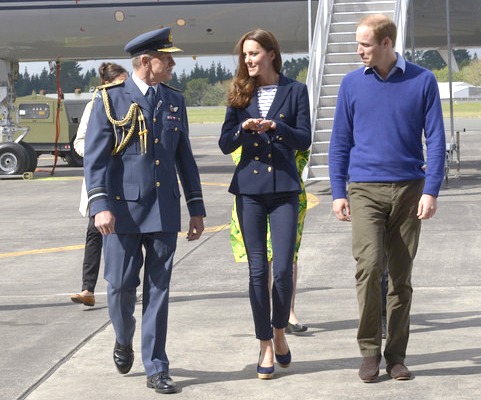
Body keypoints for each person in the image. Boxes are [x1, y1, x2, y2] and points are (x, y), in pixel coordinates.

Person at [83, 27, 206, 394]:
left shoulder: (173, 100)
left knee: (159, 289)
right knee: (120, 286)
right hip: (122, 212)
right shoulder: (110, 100)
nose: (171, 63)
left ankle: (157, 366)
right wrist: (100, 205)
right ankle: (123, 338)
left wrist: (196, 207)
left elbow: (184, 157)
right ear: (145, 61)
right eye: (165, 57)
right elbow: (96, 160)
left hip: (164, 209)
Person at [328, 14, 446, 382]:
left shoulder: (423, 80)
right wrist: (336, 192)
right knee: (369, 267)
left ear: (386, 43)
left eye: (365, 44)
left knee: (400, 277)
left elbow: (437, 140)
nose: (358, 50)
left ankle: (395, 355)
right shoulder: (350, 84)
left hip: (410, 189)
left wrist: (431, 190)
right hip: (364, 189)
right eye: (358, 43)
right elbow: (339, 143)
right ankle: (368, 351)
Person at [219, 28, 311, 380]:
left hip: (285, 189)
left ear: (272, 53)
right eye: (245, 55)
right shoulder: (240, 93)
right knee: (258, 271)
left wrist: (276, 128)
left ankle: (279, 331)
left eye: (254, 53)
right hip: (250, 191)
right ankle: (266, 345)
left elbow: (304, 137)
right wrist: (245, 129)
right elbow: (225, 143)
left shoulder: (296, 91)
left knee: (283, 269)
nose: (248, 60)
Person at [229, 148, 310, 334]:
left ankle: (288, 312)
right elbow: (235, 149)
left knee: (288, 256)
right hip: (253, 189)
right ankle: (264, 317)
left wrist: (287, 172)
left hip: (287, 189)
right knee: (260, 258)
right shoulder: (248, 119)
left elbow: (303, 147)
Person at [70, 62, 128, 307]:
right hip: (101, 185)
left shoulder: (132, 104)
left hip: (128, 184)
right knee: (95, 235)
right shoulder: (95, 105)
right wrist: (100, 154)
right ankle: (87, 289)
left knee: (131, 239)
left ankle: (127, 286)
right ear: (107, 85)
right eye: (121, 83)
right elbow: (80, 142)